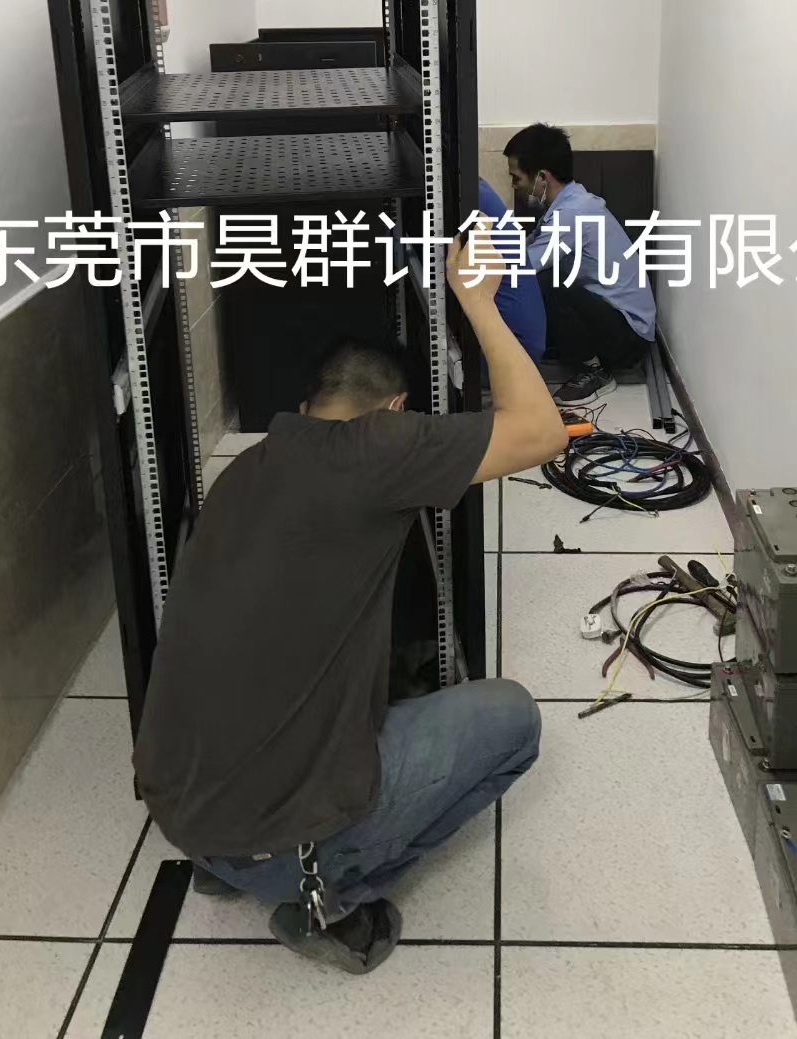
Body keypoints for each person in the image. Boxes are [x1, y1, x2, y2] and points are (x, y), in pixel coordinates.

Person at [132, 232, 566, 976]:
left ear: (307, 406)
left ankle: (230, 863)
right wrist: (478, 304)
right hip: (281, 844)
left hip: (181, 814)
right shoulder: (375, 449)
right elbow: (542, 430)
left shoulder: (244, 470)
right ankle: (326, 898)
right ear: (393, 410)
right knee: (514, 721)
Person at [504, 123, 656, 405]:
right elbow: (527, 247)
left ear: (542, 177)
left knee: (547, 281)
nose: (514, 185)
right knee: (547, 278)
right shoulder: (568, 202)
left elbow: (524, 266)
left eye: (516, 177)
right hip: (615, 319)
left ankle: (596, 370)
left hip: (630, 338)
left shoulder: (572, 214)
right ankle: (576, 351)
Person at [475, 176, 546, 364]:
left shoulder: (472, 197)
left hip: (517, 350)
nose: (512, 185)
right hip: (525, 342)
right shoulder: (479, 189)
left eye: (516, 177)